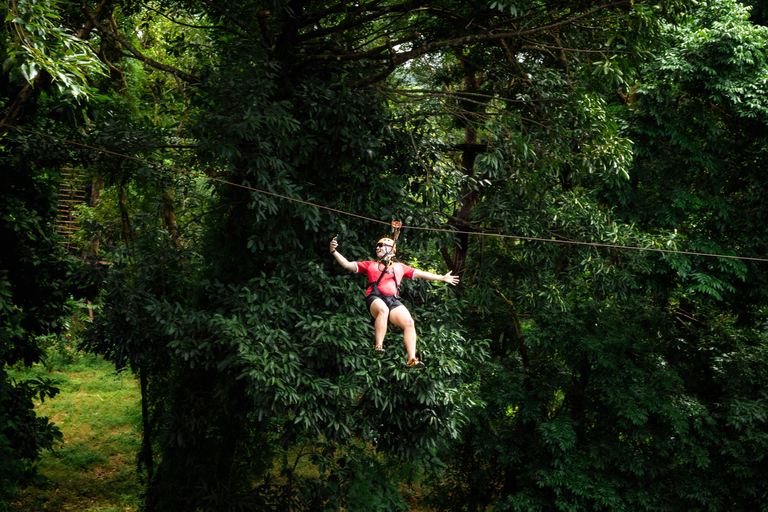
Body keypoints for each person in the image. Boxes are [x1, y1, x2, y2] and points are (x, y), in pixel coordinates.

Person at [330, 235, 460, 368]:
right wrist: (334, 251)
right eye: (377, 246)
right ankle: (379, 345)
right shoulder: (371, 265)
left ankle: (411, 359)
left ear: (392, 250)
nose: (378, 248)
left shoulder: (400, 267)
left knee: (409, 322)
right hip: (375, 297)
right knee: (383, 310)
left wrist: (442, 278)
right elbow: (347, 264)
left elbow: (422, 273)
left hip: (393, 300)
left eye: (381, 245)